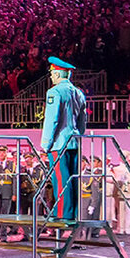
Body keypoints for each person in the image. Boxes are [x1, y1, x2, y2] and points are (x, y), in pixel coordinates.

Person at [40, 56, 88, 220]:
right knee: (74, 179)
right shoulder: (79, 93)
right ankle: (74, 212)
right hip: (74, 141)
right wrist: (79, 135)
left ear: (59, 73)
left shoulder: (54, 92)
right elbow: (82, 121)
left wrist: (45, 143)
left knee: (61, 178)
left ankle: (62, 212)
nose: (51, 76)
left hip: (59, 143)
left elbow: (52, 119)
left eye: (53, 73)